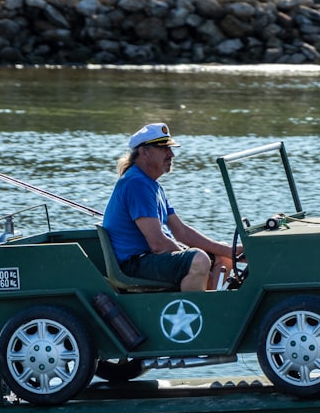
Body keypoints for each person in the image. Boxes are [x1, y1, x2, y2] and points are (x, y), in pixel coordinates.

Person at [102, 123, 239, 292]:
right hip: (135, 264)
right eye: (163, 148)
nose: (171, 154)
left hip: (150, 259)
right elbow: (158, 244)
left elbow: (181, 231)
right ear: (144, 152)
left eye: (170, 148)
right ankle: (195, 314)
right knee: (199, 260)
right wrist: (192, 258)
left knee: (223, 259)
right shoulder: (136, 184)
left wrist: (228, 250)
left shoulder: (152, 185)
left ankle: (214, 305)